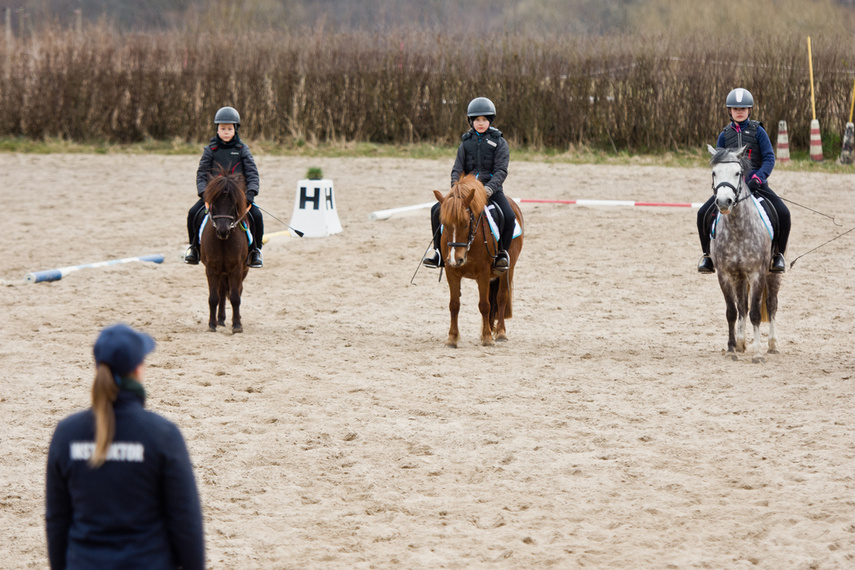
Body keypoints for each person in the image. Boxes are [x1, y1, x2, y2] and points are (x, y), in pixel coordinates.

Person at [45, 324, 205, 570]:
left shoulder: (67, 434)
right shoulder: (161, 434)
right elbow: (186, 523)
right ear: (138, 369)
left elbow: (57, 522)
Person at [697, 87, 790, 274]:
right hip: (731, 187)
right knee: (702, 214)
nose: (739, 112)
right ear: (729, 111)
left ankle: (777, 256)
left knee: (783, 213)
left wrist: (758, 177)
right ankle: (707, 256)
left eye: (743, 109)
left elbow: (769, 158)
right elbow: (719, 164)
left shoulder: (759, 132)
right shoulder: (724, 135)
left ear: (749, 110)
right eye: (735, 109)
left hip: (757, 185)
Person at [423, 96, 515, 272]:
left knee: (509, 216)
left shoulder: (500, 142)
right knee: (436, 210)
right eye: (477, 120)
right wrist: (455, 188)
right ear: (471, 121)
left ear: (490, 120)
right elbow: (457, 168)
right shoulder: (465, 143)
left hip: (491, 189)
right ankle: (438, 253)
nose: (480, 123)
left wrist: (489, 189)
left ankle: (502, 253)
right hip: (464, 191)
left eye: (484, 120)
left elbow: (501, 171)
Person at [185, 106, 264, 268]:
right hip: (214, 196)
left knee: (257, 216)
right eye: (223, 128)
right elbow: (201, 174)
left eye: (229, 128)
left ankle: (255, 250)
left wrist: (251, 193)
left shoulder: (242, 150)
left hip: (237, 197)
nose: (226, 132)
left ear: (235, 129)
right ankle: (194, 248)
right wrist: (203, 192)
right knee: (193, 213)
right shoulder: (210, 150)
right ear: (217, 130)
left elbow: (252, 174)